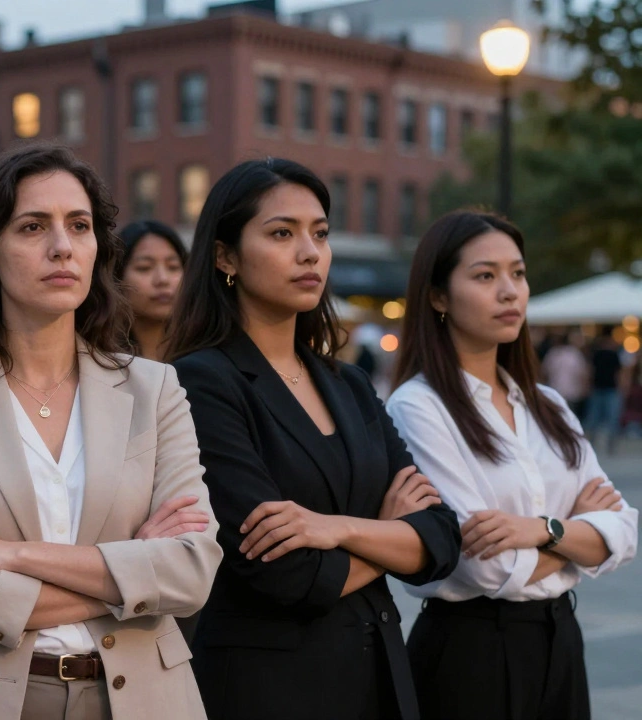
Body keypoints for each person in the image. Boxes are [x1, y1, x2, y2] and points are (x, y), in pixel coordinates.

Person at [0, 143, 222, 720]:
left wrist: (5, 553)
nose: (62, 246)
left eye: (80, 226)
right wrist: (128, 573)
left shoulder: (154, 389)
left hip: (143, 697)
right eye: (34, 226)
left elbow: (190, 573)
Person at [166, 158, 462, 720]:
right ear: (225, 256)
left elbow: (442, 539)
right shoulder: (201, 380)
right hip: (271, 688)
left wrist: (337, 529)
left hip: (379, 679)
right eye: (282, 233)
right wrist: (390, 537)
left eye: (320, 234)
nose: (310, 252)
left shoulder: (346, 381)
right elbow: (283, 573)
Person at [386, 211, 638, 720]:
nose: (510, 291)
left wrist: (539, 530)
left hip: (560, 640)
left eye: (518, 274)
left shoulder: (547, 404)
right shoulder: (419, 407)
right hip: (472, 650)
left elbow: (626, 529)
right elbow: (483, 564)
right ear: (438, 296)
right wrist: (575, 538)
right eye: (485, 276)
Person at [115, 220, 187, 361]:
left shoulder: (202, 357)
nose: (162, 279)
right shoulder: (102, 359)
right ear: (117, 277)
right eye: (144, 267)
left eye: (173, 267)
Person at [583, 329, 624, 447]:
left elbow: (590, 371)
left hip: (603, 389)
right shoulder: (610, 354)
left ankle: (594, 443)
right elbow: (620, 374)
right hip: (606, 389)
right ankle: (607, 444)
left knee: (595, 418)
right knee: (607, 418)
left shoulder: (600, 354)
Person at [542, 332, 590, 419]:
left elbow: (545, 372)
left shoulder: (553, 353)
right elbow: (582, 373)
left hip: (555, 389)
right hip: (572, 391)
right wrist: (584, 387)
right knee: (571, 417)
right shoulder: (574, 353)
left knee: (558, 417)